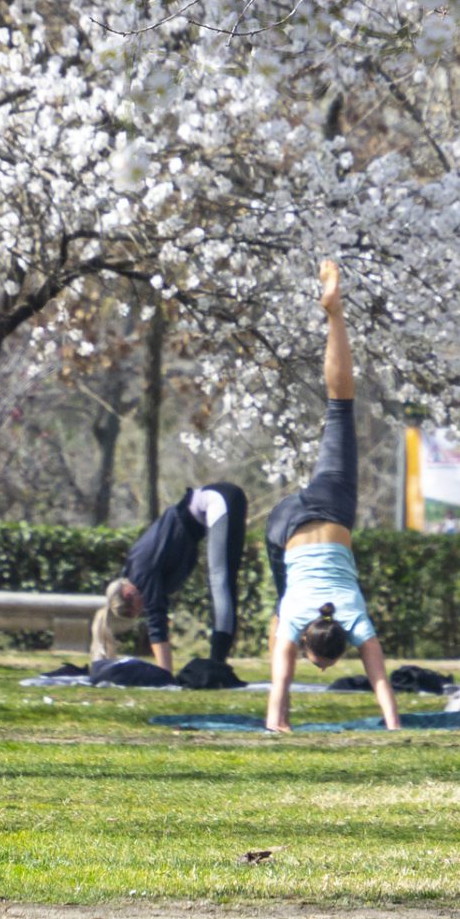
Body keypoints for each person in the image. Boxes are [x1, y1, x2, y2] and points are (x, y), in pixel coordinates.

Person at [262, 261, 402, 734]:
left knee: (340, 408)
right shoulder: (300, 621)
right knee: (280, 605)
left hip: (331, 506)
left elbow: (380, 679)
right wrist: (274, 722)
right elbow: (280, 681)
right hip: (283, 528)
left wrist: (395, 725)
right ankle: (334, 314)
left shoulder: (356, 619)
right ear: (310, 639)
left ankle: (334, 316)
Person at [100, 480, 248, 673]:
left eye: (137, 608)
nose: (143, 607)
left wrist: (165, 674)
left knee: (220, 581)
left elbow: (157, 622)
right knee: (226, 581)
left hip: (216, 501)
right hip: (223, 498)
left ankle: (217, 662)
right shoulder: (135, 566)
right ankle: (218, 662)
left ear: (128, 593)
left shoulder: (140, 575)